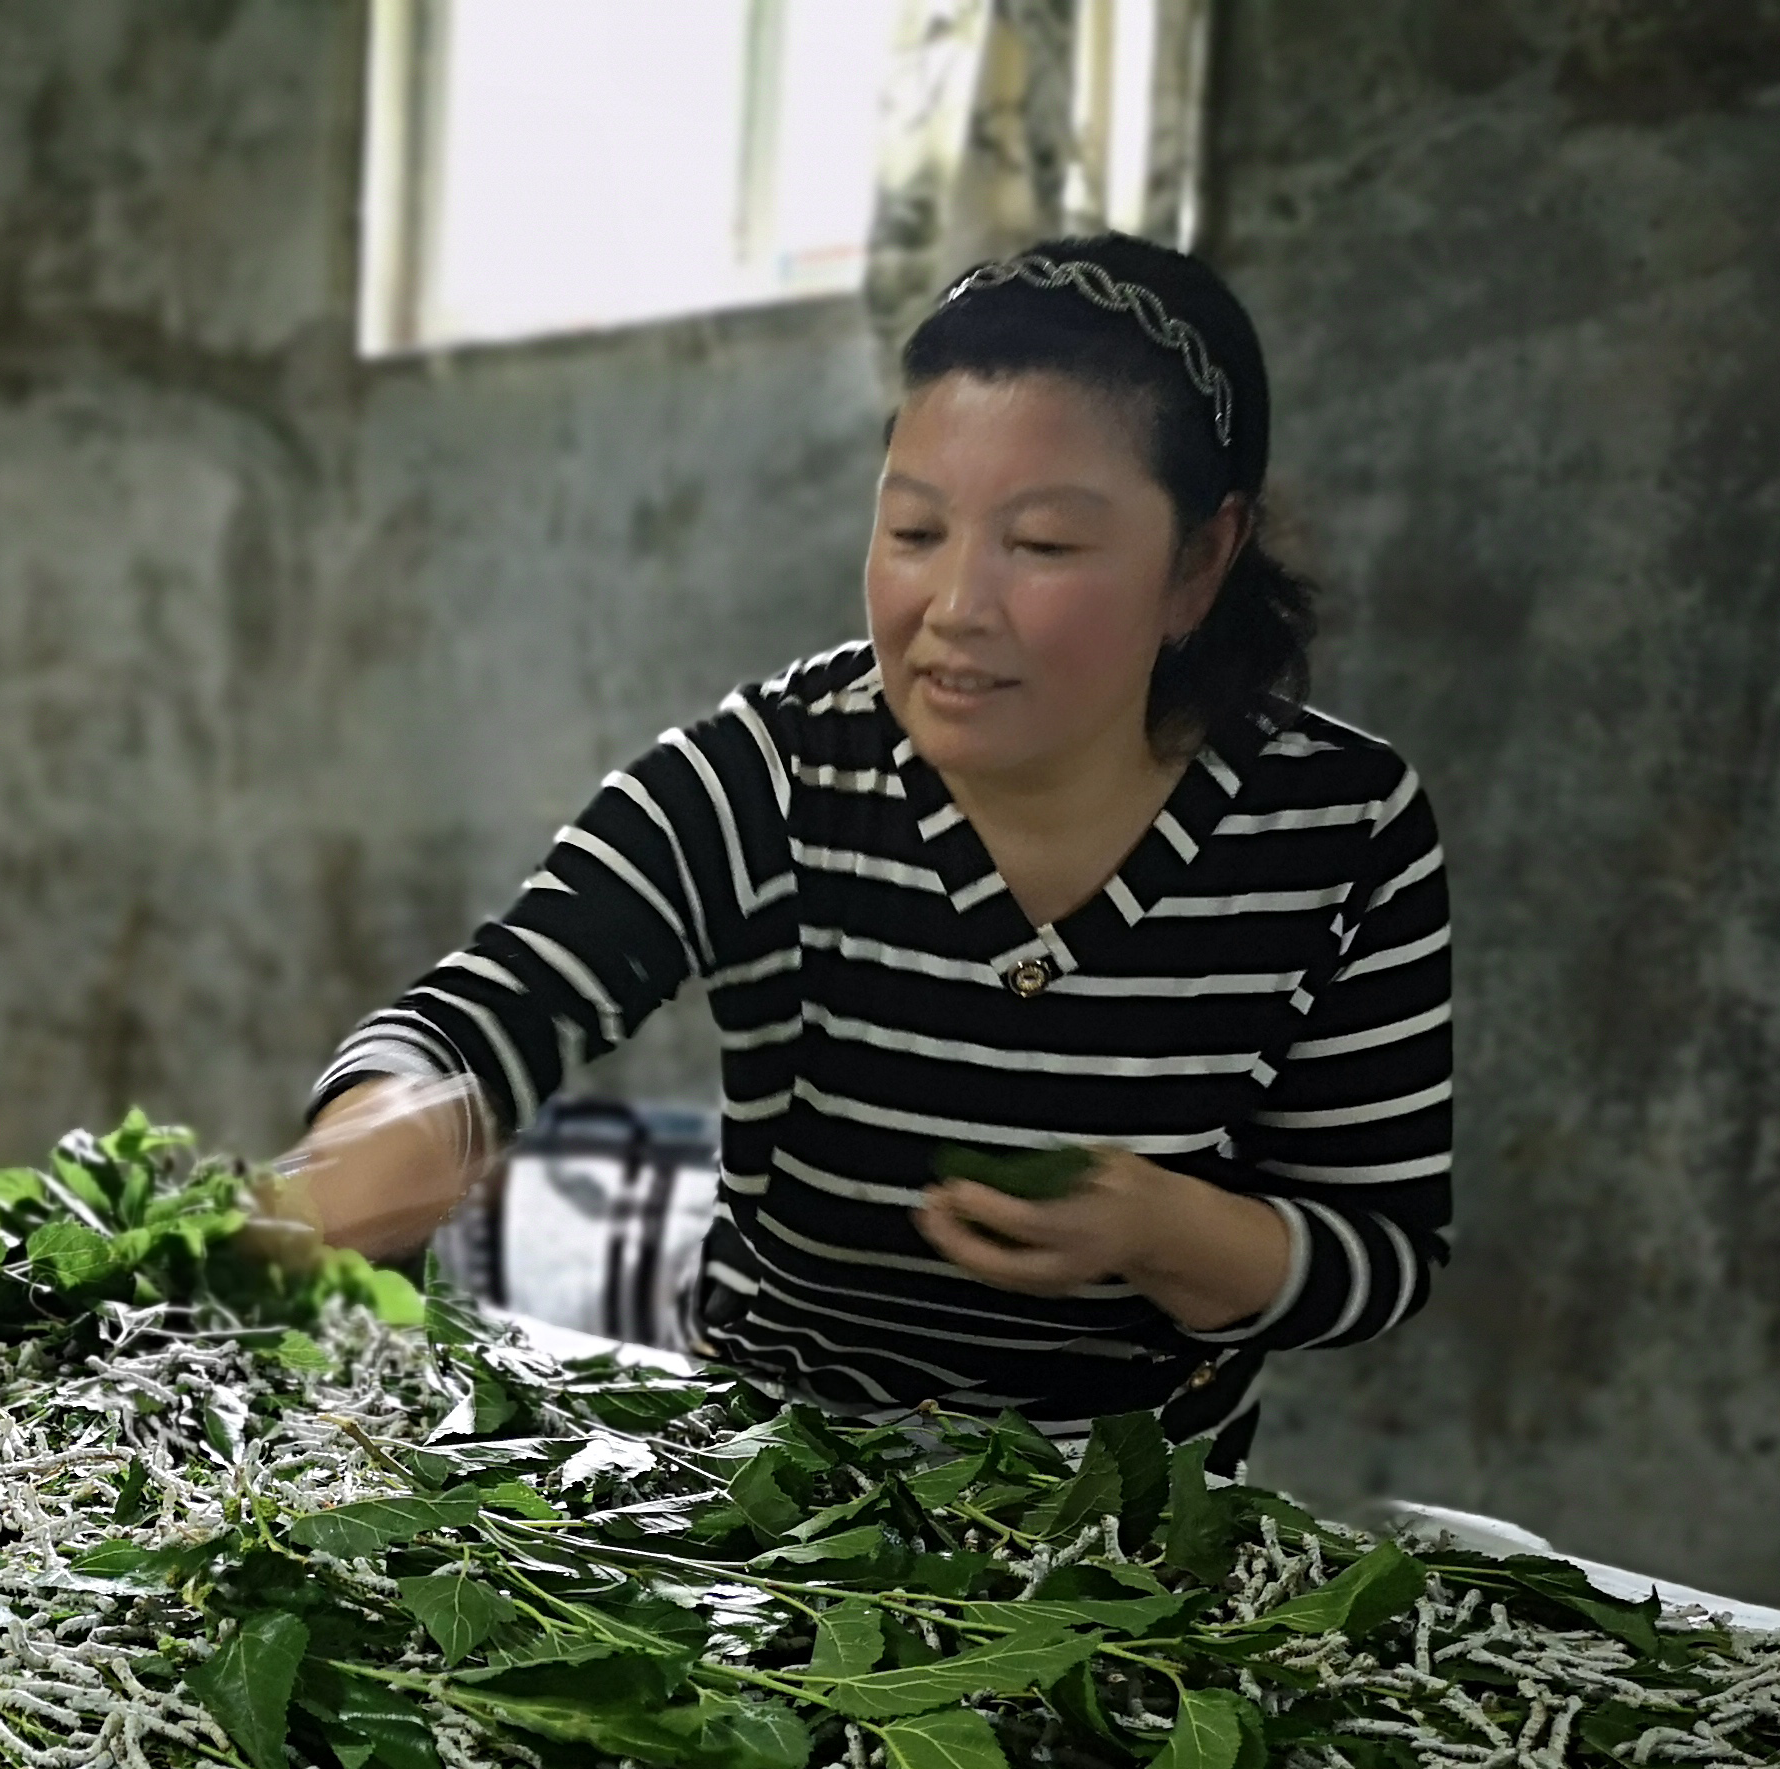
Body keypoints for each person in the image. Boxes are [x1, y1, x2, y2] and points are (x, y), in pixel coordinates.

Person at [281, 233, 1450, 1469]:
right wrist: (401, 1119)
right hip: (771, 1510)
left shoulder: (1341, 830)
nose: (956, 607)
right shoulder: (776, 777)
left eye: (1043, 544)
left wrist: (1167, 1234)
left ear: (1199, 562)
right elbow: (494, 1006)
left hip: (1136, 1543)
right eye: (914, 531)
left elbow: (1380, 1247)